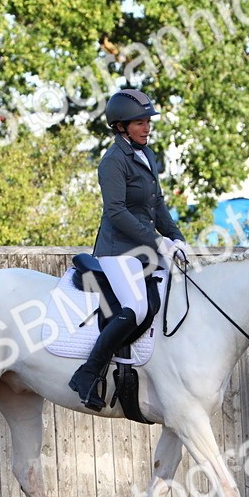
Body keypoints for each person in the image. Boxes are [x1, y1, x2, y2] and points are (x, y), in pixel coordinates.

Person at [68, 88, 188, 411]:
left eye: (148, 121)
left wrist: (177, 237)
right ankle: (88, 373)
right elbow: (117, 212)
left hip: (144, 250)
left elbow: (158, 204)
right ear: (121, 126)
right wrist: (157, 240)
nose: (147, 127)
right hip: (117, 250)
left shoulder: (147, 155)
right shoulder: (112, 162)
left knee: (158, 302)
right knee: (136, 307)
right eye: (139, 122)